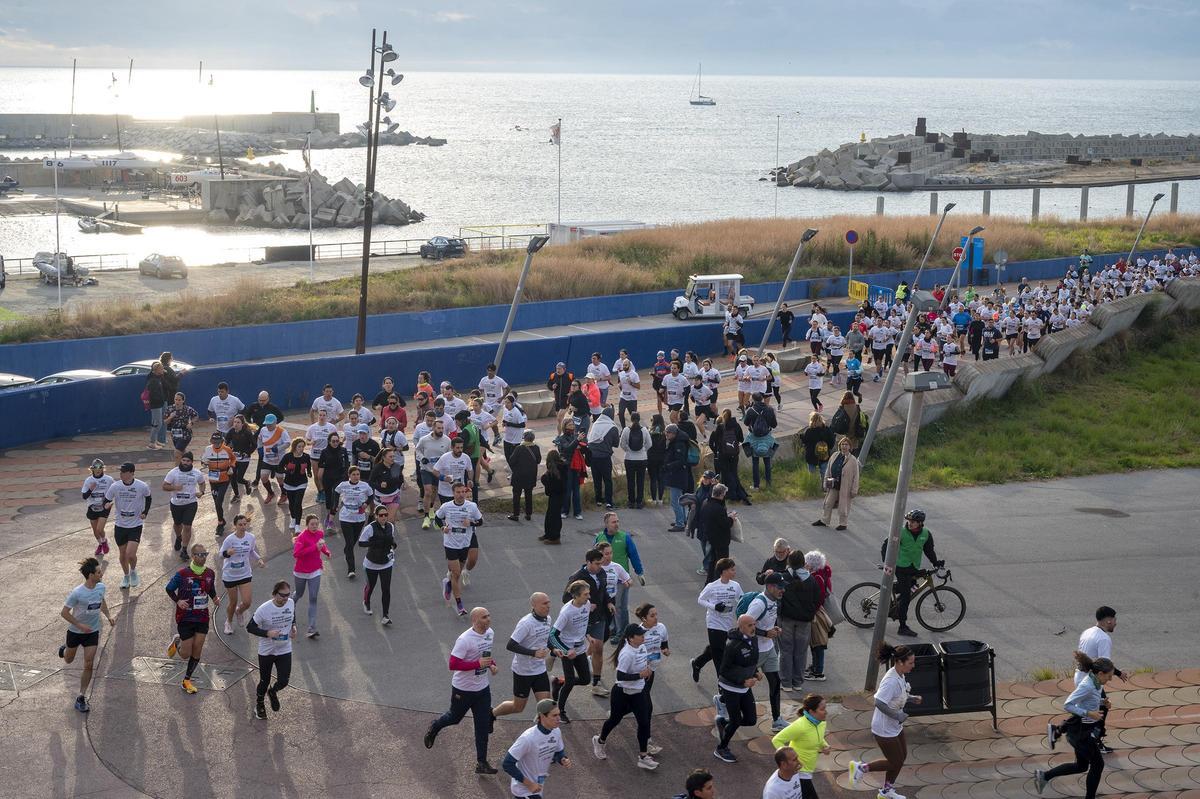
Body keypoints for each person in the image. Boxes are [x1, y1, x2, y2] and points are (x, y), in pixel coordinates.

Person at [424, 606, 500, 775]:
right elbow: (453, 664)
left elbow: (485, 654)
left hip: (482, 689)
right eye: (484, 617)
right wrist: (477, 664)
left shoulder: (490, 633)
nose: (488, 619)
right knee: (454, 718)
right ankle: (435, 726)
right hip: (463, 689)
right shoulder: (465, 639)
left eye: (489, 616)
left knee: (482, 724)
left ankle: (481, 762)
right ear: (475, 620)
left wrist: (492, 665)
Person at [1034, 652, 1115, 799]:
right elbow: (1068, 705)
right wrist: (1089, 714)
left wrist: (1103, 703)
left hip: (1081, 731)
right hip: (1081, 733)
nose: (1109, 679)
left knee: (1081, 766)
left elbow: (1090, 700)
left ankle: (1044, 776)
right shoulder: (1088, 685)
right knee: (1098, 765)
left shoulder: (1096, 682)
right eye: (1109, 676)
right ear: (1101, 673)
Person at [848, 642, 923, 799]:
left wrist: (911, 698)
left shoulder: (900, 675)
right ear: (900, 662)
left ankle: (886, 791)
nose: (913, 666)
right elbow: (879, 702)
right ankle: (861, 768)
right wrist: (898, 715)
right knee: (894, 761)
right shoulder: (890, 681)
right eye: (911, 662)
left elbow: (898, 696)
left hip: (895, 726)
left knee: (901, 758)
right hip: (883, 728)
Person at [591, 623, 659, 771]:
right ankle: (600, 740)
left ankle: (643, 756)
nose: (643, 637)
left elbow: (643, 660)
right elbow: (620, 676)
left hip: (638, 692)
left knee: (644, 721)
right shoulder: (626, 653)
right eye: (640, 635)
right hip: (621, 693)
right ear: (631, 638)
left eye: (643, 634)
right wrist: (640, 675)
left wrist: (646, 668)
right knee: (614, 719)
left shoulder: (641, 646)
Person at [58, 557, 115, 713]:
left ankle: (81, 696)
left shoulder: (101, 587)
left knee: (89, 663)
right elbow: (64, 613)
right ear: (90, 575)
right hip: (76, 632)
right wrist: (79, 625)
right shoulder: (77, 593)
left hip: (92, 632)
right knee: (69, 659)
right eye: (98, 572)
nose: (101, 573)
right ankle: (64, 650)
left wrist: (108, 616)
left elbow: (101, 601)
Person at [165, 543, 221, 694]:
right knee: (185, 655)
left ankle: (186, 680)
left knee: (198, 650)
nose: (203, 557)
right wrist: (178, 601)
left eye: (205, 554)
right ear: (193, 556)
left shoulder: (210, 573)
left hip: (202, 617)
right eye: (200, 554)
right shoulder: (182, 574)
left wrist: (215, 598)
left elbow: (210, 588)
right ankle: (178, 642)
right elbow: (169, 588)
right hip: (186, 618)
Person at [492, 593, 554, 720]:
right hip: (523, 671)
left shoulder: (548, 619)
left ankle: (542, 731)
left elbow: (545, 638)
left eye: (548, 602)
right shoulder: (526, 623)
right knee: (518, 707)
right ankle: (491, 714)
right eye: (544, 603)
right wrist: (534, 653)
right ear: (534, 605)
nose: (548, 606)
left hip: (540, 669)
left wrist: (554, 649)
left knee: (546, 706)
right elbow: (510, 645)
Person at [713, 613, 762, 763]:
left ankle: (723, 722)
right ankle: (721, 748)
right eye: (749, 625)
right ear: (740, 627)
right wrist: (743, 680)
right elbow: (724, 670)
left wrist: (755, 672)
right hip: (730, 687)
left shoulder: (753, 639)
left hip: (744, 687)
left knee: (751, 719)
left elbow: (751, 661)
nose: (753, 628)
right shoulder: (732, 645)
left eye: (754, 624)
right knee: (736, 721)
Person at [886, 509, 943, 637]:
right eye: (909, 521)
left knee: (913, 586)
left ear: (920, 523)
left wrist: (936, 563)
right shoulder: (900, 532)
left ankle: (894, 606)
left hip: (913, 567)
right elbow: (886, 545)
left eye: (913, 522)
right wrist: (886, 562)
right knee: (906, 597)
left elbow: (929, 551)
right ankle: (902, 627)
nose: (910, 523)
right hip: (900, 566)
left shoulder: (926, 534)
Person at [246, 580, 296, 720]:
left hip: (284, 648)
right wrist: (267, 633)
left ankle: (273, 692)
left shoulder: (291, 603)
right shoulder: (264, 609)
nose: (286, 598)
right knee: (264, 680)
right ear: (274, 594)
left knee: (284, 681)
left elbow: (292, 617)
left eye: (288, 595)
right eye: (282, 595)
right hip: (267, 650)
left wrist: (294, 627)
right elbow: (250, 627)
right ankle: (259, 705)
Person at [502, 698, 572, 797]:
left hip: (538, 787)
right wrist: (529, 784)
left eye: (559, 714)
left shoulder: (556, 731)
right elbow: (507, 763)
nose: (558, 718)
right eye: (554, 715)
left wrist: (563, 759)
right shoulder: (528, 738)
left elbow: (558, 752)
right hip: (524, 791)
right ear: (542, 716)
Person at [595, 512, 645, 642]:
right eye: (613, 522)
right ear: (606, 524)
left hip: (621, 580)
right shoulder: (599, 537)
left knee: (620, 607)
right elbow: (593, 557)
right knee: (607, 605)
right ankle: (613, 628)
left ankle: (622, 632)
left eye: (617, 521)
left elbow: (633, 554)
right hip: (604, 580)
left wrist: (639, 572)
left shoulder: (625, 537)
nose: (617, 524)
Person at [436, 481, 484, 617]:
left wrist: (472, 522)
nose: (461, 494)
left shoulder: (472, 506)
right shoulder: (446, 506)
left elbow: (481, 521)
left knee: (456, 573)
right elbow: (438, 519)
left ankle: (448, 583)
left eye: (463, 492)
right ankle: (460, 605)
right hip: (450, 543)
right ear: (453, 493)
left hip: (465, 542)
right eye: (458, 492)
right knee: (456, 574)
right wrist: (442, 528)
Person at [690, 557, 741, 684]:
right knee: (720, 654)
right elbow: (700, 599)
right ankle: (722, 683)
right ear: (723, 571)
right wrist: (714, 607)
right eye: (732, 570)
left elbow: (741, 600)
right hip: (714, 623)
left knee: (715, 648)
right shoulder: (712, 586)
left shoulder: (735, 586)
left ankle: (697, 663)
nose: (734, 572)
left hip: (728, 623)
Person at [103, 462, 152, 589]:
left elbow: (149, 498)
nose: (121, 474)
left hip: (135, 525)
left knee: (130, 554)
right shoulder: (115, 486)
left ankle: (133, 571)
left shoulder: (142, 486)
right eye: (120, 471)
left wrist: (145, 512)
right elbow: (106, 500)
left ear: (131, 473)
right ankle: (126, 576)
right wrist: (106, 505)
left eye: (123, 472)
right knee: (123, 554)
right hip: (120, 525)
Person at [748, 573, 787, 731]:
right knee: (742, 684)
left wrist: (774, 628)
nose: (782, 590)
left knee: (775, 682)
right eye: (780, 587)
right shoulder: (759, 604)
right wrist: (765, 633)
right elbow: (743, 626)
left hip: (769, 648)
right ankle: (722, 700)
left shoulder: (774, 600)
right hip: (755, 651)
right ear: (770, 586)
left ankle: (777, 720)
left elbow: (768, 620)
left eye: (784, 587)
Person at [771, 695, 831, 799]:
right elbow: (777, 740)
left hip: (808, 770)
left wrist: (824, 745)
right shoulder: (800, 726)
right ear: (812, 711)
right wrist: (790, 760)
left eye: (825, 708)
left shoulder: (821, 723)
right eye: (822, 709)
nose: (826, 712)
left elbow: (819, 737)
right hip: (800, 772)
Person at [779, 550, 820, 692]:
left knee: (786, 651)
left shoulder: (783, 578)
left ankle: (786, 682)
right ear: (803, 563)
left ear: (789, 562)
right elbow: (817, 599)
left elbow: (778, 599)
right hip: (805, 621)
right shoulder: (811, 580)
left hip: (787, 619)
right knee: (801, 652)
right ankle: (797, 682)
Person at [218, 513, 266, 635]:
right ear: (235, 525)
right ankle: (228, 622)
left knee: (247, 602)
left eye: (245, 524)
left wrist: (259, 559)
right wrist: (227, 553)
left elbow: (251, 551)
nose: (243, 527)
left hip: (245, 574)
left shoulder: (250, 537)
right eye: (240, 525)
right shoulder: (230, 539)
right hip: (230, 575)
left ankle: (239, 612)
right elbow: (220, 554)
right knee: (233, 602)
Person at [291, 514, 332, 638]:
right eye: (312, 524)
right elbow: (296, 554)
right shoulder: (302, 537)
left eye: (316, 524)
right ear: (307, 525)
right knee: (299, 594)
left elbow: (321, 545)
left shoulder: (319, 534)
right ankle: (290, 606)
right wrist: (314, 548)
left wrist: (326, 551)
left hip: (315, 570)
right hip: (301, 571)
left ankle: (312, 628)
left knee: (313, 597)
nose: (314, 526)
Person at [358, 506, 397, 624]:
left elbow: (391, 540)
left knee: (386, 589)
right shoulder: (370, 528)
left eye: (386, 515)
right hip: (371, 564)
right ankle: (366, 602)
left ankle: (385, 615)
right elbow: (361, 543)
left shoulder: (390, 526)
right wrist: (373, 543)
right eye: (381, 515)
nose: (384, 517)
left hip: (386, 563)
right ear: (376, 516)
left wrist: (393, 546)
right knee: (371, 586)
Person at [334, 466, 374, 578]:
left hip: (359, 518)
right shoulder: (343, 485)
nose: (356, 477)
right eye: (354, 475)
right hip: (345, 516)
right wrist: (334, 505)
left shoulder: (364, 485)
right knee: (350, 543)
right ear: (349, 475)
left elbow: (371, 496)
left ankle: (347, 550)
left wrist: (366, 503)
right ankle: (351, 570)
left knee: (351, 543)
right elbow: (336, 492)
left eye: (358, 474)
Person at [814, 436, 859, 530]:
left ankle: (843, 524)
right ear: (840, 445)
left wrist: (854, 490)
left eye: (846, 444)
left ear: (850, 447)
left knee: (843, 506)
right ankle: (824, 520)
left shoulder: (853, 460)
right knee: (828, 503)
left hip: (845, 487)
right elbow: (828, 470)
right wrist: (826, 482)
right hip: (834, 485)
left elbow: (856, 476)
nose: (844, 446)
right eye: (842, 444)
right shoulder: (834, 456)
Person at [805, 551, 833, 683]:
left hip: (816, 614)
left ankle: (818, 672)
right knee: (816, 643)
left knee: (818, 643)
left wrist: (812, 610)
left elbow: (820, 597)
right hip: (818, 612)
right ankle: (815, 666)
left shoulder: (816, 577)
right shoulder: (820, 575)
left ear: (811, 564)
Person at [710, 411, 749, 505]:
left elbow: (715, 441)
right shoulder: (736, 426)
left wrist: (716, 451)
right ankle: (740, 493)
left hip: (723, 455)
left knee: (727, 474)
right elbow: (741, 439)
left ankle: (732, 494)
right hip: (734, 454)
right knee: (734, 473)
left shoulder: (720, 427)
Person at [586, 406, 619, 509]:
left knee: (597, 479)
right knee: (607, 480)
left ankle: (598, 500)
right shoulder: (612, 427)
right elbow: (616, 444)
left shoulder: (596, 424)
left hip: (593, 457)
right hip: (605, 457)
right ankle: (609, 502)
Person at [743, 393, 778, 490]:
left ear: (753, 399)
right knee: (767, 462)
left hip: (754, 438)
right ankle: (769, 484)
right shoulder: (769, 409)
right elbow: (774, 425)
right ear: (762, 399)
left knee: (755, 462)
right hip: (767, 437)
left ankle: (756, 485)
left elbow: (746, 423)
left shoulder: (751, 410)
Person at [663, 424, 694, 531]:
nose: (666, 434)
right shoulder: (678, 441)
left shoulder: (679, 444)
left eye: (668, 432)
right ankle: (683, 520)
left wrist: (668, 466)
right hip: (679, 475)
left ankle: (680, 523)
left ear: (674, 433)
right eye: (666, 432)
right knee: (680, 499)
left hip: (677, 476)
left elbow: (680, 461)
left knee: (675, 501)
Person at [278, 439, 313, 533]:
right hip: (289, 483)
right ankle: (293, 518)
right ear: (294, 447)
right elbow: (279, 467)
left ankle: (297, 524)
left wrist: (309, 472)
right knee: (292, 503)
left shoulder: (306, 456)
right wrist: (286, 471)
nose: (301, 449)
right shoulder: (288, 456)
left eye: (302, 446)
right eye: (299, 447)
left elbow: (308, 466)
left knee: (298, 503)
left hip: (302, 483)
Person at [317, 431, 349, 531]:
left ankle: (330, 521)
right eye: (333, 441)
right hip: (328, 477)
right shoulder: (324, 452)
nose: (335, 443)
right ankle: (329, 513)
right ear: (329, 442)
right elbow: (321, 465)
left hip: (339, 478)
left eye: (337, 441)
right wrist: (320, 478)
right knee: (329, 499)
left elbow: (347, 464)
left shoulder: (343, 451)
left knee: (335, 498)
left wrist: (347, 477)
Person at [81, 459, 114, 558]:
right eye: (96, 468)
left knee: (100, 529)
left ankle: (104, 542)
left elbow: (116, 489)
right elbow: (84, 496)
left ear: (103, 469)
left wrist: (110, 502)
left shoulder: (109, 479)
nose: (98, 470)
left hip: (104, 507)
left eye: (100, 467)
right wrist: (90, 489)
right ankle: (100, 544)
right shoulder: (88, 480)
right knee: (95, 532)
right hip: (92, 507)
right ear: (92, 469)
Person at [256, 414, 290, 502]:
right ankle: (271, 493)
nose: (268, 426)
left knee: (280, 480)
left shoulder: (282, 431)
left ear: (275, 422)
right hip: (267, 460)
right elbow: (259, 439)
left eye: (270, 424)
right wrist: (259, 448)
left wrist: (278, 449)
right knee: (263, 477)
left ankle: (284, 494)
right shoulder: (263, 430)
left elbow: (287, 443)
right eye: (266, 424)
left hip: (279, 460)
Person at [508, 430, 541, 521]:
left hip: (518, 475)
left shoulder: (519, 448)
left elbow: (511, 461)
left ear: (524, 437)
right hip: (531, 475)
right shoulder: (536, 448)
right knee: (528, 494)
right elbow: (538, 460)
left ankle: (516, 514)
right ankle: (528, 514)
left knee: (516, 495)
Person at [368, 447, 404, 525]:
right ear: (384, 458)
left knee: (390, 520)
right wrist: (379, 486)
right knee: (381, 521)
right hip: (380, 497)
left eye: (393, 456)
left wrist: (397, 488)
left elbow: (400, 480)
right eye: (390, 457)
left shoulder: (396, 466)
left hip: (394, 495)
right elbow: (370, 482)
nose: (393, 458)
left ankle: (389, 535)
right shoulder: (377, 468)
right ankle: (379, 534)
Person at [621, 411, 650, 509]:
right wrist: (643, 450)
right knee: (640, 481)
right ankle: (639, 501)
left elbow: (622, 443)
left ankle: (631, 501)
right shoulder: (644, 430)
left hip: (629, 458)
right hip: (642, 459)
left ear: (631, 419)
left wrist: (628, 450)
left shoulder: (626, 430)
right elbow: (649, 444)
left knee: (630, 481)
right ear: (639, 418)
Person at [164, 392, 198, 465]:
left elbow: (196, 416)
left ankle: (177, 470)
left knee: (177, 453)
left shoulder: (187, 409)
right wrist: (170, 417)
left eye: (179, 400)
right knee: (182, 452)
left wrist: (191, 423)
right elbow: (165, 422)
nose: (177, 402)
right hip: (175, 433)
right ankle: (188, 466)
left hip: (185, 433)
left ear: (183, 401)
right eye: (176, 399)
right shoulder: (170, 409)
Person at [540, 450, 566, 544]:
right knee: (551, 515)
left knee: (554, 516)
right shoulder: (562, 467)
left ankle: (555, 537)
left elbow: (550, 482)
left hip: (556, 494)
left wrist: (545, 481)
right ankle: (548, 534)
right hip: (559, 495)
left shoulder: (555, 469)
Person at [800, 413, 836, 478]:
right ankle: (824, 487)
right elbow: (832, 441)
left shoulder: (809, 431)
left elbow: (804, 441)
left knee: (812, 475)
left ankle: (814, 487)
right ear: (821, 420)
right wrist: (828, 449)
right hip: (824, 455)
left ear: (811, 420)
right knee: (825, 475)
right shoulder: (826, 429)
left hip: (811, 456)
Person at [145, 361, 169, 449]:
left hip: (159, 403)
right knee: (157, 423)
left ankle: (155, 441)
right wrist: (160, 399)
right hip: (156, 405)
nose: (163, 370)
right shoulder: (153, 380)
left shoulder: (158, 378)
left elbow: (165, 386)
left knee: (159, 422)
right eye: (161, 368)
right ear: (157, 370)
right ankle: (152, 443)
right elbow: (153, 394)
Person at [646, 413, 667, 506]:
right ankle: (661, 500)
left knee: (653, 479)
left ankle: (654, 500)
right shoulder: (665, 432)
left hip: (651, 457)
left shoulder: (650, 431)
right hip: (662, 457)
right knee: (661, 479)